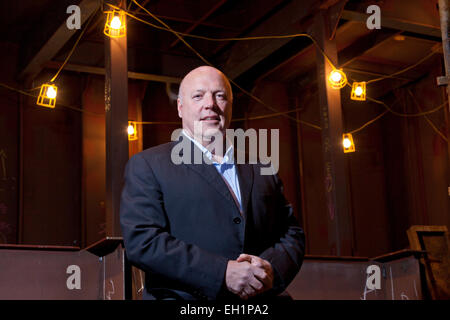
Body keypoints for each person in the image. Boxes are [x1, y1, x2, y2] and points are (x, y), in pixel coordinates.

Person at [120, 66, 305, 300]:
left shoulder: (261, 167)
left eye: (220, 95)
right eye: (198, 96)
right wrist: (221, 273)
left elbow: (292, 233)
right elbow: (143, 241)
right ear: (180, 107)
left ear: (230, 105)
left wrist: (270, 269)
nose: (211, 104)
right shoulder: (148, 165)